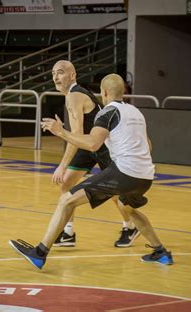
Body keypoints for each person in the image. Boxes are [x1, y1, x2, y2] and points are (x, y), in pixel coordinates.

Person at [9, 73, 173, 270]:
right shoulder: (136, 112)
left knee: (66, 200)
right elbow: (148, 145)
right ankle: (161, 252)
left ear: (103, 92)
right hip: (146, 176)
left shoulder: (107, 112)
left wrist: (60, 131)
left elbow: (93, 144)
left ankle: (40, 253)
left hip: (124, 173)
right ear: (124, 92)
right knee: (128, 207)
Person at [50, 60, 140, 248]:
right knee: (66, 183)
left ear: (72, 75)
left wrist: (62, 165)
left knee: (116, 194)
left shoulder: (74, 95)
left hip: (102, 146)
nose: (55, 77)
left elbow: (76, 135)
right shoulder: (73, 95)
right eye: (53, 74)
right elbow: (79, 137)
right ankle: (68, 232)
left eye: (60, 73)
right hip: (88, 146)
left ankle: (130, 227)